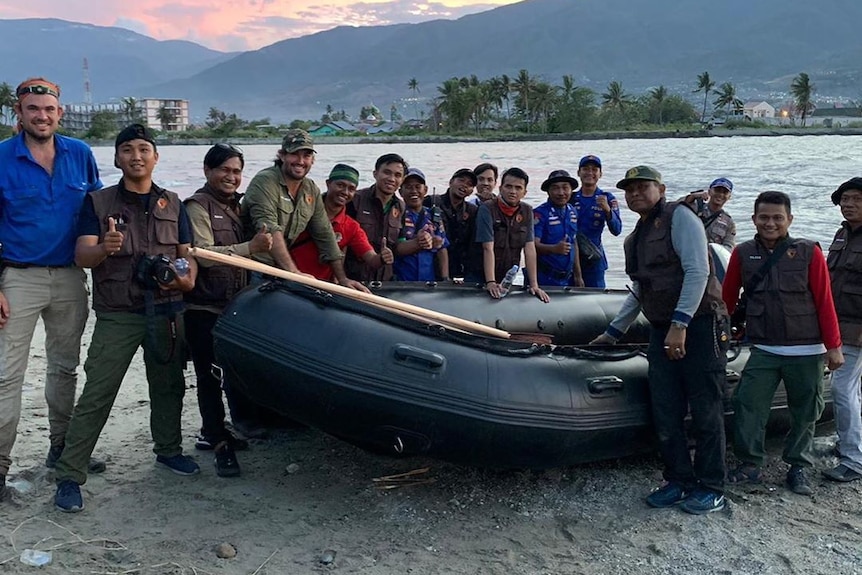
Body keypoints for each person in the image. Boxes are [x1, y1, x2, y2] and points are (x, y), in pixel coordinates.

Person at [54, 124, 200, 513]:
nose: (137, 156)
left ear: (156, 156)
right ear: (117, 158)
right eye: (128, 150)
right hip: (119, 313)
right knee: (98, 392)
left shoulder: (173, 202)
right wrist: (105, 247)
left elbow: (187, 253)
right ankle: (70, 474)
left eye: (144, 149)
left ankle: (168, 450)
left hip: (167, 308)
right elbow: (81, 257)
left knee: (168, 386)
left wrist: (187, 278)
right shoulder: (97, 203)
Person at [591, 165, 729, 515]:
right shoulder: (634, 237)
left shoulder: (680, 218)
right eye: (630, 189)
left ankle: (712, 485)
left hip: (699, 324)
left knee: (705, 408)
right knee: (665, 409)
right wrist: (611, 333)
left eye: (643, 187)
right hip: (661, 327)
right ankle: (678, 479)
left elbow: (698, 271)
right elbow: (640, 289)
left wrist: (680, 323)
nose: (635, 193)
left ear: (661, 188)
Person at [0, 77, 103, 502]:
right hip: (17, 277)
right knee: (7, 376)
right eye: (32, 109)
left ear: (60, 113)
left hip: (68, 277)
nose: (41, 116)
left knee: (64, 368)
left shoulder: (80, 154)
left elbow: (97, 214)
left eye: (49, 109)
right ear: (19, 114)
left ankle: (61, 449)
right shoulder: (2, 158)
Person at [723, 190, 843, 496]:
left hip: (807, 351)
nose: (770, 223)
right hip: (763, 349)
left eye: (778, 217)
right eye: (764, 217)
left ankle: (798, 466)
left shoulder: (809, 252)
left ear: (789, 219)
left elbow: (824, 301)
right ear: (753, 219)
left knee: (805, 410)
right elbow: (726, 298)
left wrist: (833, 346)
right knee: (747, 404)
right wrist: (717, 334)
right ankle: (750, 465)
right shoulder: (742, 252)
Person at [184, 144, 273, 477]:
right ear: (208, 171)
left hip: (235, 304)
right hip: (202, 306)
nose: (231, 177)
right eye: (224, 170)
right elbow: (204, 255)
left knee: (233, 371)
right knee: (208, 377)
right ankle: (217, 443)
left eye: (236, 171)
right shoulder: (197, 206)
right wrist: (250, 248)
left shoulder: (240, 206)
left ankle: (228, 429)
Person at [241, 129, 365, 292]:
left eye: (306, 155)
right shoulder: (265, 181)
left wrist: (342, 279)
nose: (300, 161)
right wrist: (294, 273)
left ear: (312, 160)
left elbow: (324, 233)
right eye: (294, 154)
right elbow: (271, 229)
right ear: (282, 155)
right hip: (253, 268)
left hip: (280, 270)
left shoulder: (310, 188)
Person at [290, 163, 393, 280]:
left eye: (351, 189)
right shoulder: (303, 210)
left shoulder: (351, 227)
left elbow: (371, 259)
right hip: (287, 280)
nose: (345, 192)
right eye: (340, 185)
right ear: (328, 184)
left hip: (321, 287)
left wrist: (382, 258)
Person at [823, 178, 862, 483]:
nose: (849, 204)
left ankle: (854, 459)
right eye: (845, 199)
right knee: (852, 389)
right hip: (839, 324)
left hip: (857, 328)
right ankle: (852, 446)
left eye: (857, 199)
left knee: (841, 388)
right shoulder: (842, 235)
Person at [475, 167, 549, 302]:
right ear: (500, 188)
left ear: (524, 192)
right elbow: (487, 247)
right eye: (508, 186)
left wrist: (534, 285)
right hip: (479, 274)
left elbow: (530, 249)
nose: (512, 191)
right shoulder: (487, 208)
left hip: (507, 274)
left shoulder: (527, 211)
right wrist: (490, 281)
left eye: (518, 188)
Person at [346, 153, 407, 281]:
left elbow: (399, 244)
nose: (391, 179)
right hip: (354, 278)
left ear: (402, 180)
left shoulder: (401, 207)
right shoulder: (355, 200)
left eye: (397, 175)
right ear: (375, 174)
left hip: (384, 280)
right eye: (387, 172)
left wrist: (420, 242)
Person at [569, 155, 622, 288]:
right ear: (578, 173)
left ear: (600, 174)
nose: (590, 173)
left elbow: (617, 230)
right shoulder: (570, 197)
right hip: (570, 259)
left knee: (596, 299)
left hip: (594, 259)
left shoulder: (607, 198)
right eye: (586, 169)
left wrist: (607, 210)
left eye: (594, 170)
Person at [423, 168, 481, 281]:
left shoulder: (472, 210)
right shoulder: (431, 201)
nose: (464, 185)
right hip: (432, 266)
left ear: (471, 191)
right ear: (451, 182)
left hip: (460, 268)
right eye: (461, 180)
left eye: (469, 184)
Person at [395, 168, 449, 281]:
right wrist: (422, 242)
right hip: (401, 281)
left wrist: (445, 278)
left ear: (425, 190)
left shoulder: (434, 216)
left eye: (417, 187)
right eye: (408, 187)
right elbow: (396, 248)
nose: (413, 191)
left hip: (428, 281)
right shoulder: (396, 214)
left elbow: (442, 249)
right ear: (400, 192)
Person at [533, 169, 583, 287]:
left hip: (568, 279)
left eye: (565, 188)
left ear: (571, 190)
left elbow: (573, 243)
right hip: (544, 278)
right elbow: (532, 246)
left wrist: (578, 275)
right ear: (548, 191)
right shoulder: (539, 214)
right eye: (555, 188)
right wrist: (554, 249)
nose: (561, 193)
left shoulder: (573, 212)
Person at [683, 177, 736, 249]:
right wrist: (694, 196)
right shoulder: (695, 208)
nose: (720, 194)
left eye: (725, 192)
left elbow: (729, 247)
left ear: (729, 196)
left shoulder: (729, 222)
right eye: (717, 190)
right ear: (709, 191)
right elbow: (675, 207)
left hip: (711, 257)